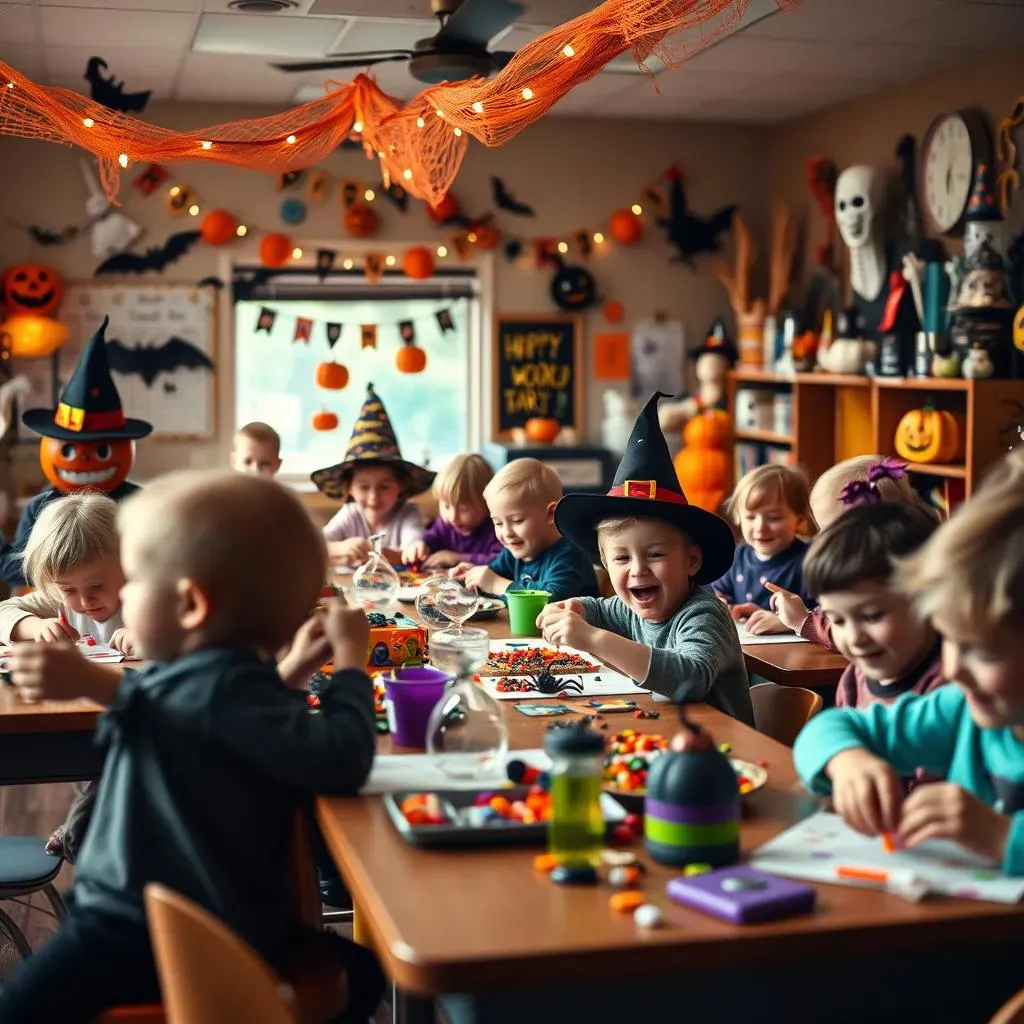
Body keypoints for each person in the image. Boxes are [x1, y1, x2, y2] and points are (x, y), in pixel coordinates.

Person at [0, 471, 385, 1022]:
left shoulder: (200, 689)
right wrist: (308, 667)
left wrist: (350, 664)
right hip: (234, 923)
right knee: (365, 973)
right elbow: (217, 714)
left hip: (140, 930)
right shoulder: (233, 684)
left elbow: (344, 758)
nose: (124, 597)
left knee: (20, 1009)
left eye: (136, 585)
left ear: (191, 605)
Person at [793, 457, 1024, 874]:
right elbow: (827, 730)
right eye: (950, 640)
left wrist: (1003, 838)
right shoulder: (959, 710)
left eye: (984, 652)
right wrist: (849, 761)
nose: (952, 670)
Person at [537, 393, 752, 725]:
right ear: (606, 565)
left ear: (691, 561)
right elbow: (601, 608)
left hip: (721, 755)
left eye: (655, 554)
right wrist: (575, 608)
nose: (638, 569)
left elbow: (691, 679)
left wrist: (594, 639)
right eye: (621, 558)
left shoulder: (703, 614)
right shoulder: (632, 607)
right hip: (660, 736)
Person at [0, 491, 136, 863]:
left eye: (97, 586)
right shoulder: (60, 601)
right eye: (68, 590)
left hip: (135, 723)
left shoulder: (149, 598)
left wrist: (151, 635)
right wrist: (32, 625)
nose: (83, 601)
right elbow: (5, 611)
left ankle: (79, 834)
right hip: (79, 721)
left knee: (116, 774)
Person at [0, 317, 152, 588]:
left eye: (101, 450)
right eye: (68, 449)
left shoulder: (138, 504)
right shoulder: (42, 506)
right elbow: (19, 570)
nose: (82, 458)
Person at [767, 456, 936, 645]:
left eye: (829, 530)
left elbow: (852, 634)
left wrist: (802, 621)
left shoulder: (886, 579)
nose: (819, 539)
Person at [801, 501, 942, 710]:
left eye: (872, 616)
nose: (854, 637)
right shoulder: (854, 679)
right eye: (837, 620)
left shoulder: (950, 687)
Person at [449, 457, 599, 602]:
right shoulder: (512, 553)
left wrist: (496, 584)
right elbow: (491, 578)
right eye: (498, 523)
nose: (507, 533)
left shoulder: (570, 556)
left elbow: (549, 601)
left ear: (551, 514)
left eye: (517, 520)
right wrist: (472, 576)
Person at [313, 384, 431, 566]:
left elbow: (412, 549)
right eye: (363, 487)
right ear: (349, 487)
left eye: (384, 486)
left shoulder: (408, 515)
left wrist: (374, 551)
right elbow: (313, 545)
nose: (373, 496)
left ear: (401, 485)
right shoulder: (350, 515)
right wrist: (341, 548)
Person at [712, 464, 814, 633]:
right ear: (738, 517)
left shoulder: (811, 561)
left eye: (773, 518)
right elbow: (718, 594)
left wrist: (788, 622)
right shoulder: (737, 557)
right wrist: (720, 606)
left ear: (800, 519)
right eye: (751, 517)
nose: (760, 527)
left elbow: (827, 616)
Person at [401, 453, 501, 570]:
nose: (453, 517)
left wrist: (458, 558)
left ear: (487, 504)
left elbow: (501, 561)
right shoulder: (444, 524)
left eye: (464, 509)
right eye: (447, 506)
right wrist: (418, 545)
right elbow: (430, 538)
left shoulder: (497, 529)